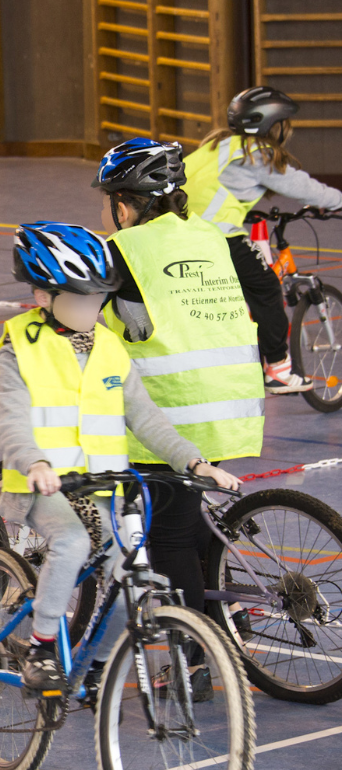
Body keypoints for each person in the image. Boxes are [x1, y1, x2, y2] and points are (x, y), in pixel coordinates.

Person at [0, 222, 240, 695]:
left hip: (101, 489)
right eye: (82, 299)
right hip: (43, 488)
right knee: (71, 544)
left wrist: (194, 463)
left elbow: (146, 418)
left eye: (98, 299)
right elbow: (11, 421)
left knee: (134, 579)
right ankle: (43, 647)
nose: (93, 309)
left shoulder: (109, 348)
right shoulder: (17, 349)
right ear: (44, 297)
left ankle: (97, 662)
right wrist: (35, 463)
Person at [95, 138, 265, 654]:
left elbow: (134, 326)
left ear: (128, 203)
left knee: (166, 534)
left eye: (113, 200)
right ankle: (228, 614)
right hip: (232, 400)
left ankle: (194, 656)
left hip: (173, 409)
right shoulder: (212, 235)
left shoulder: (123, 250)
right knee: (188, 518)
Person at [183, 87, 342, 392]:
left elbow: (208, 189)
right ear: (271, 125)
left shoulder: (220, 144)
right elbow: (301, 186)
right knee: (267, 286)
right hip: (215, 237)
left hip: (184, 231)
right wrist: (336, 200)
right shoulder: (257, 154)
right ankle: (279, 369)